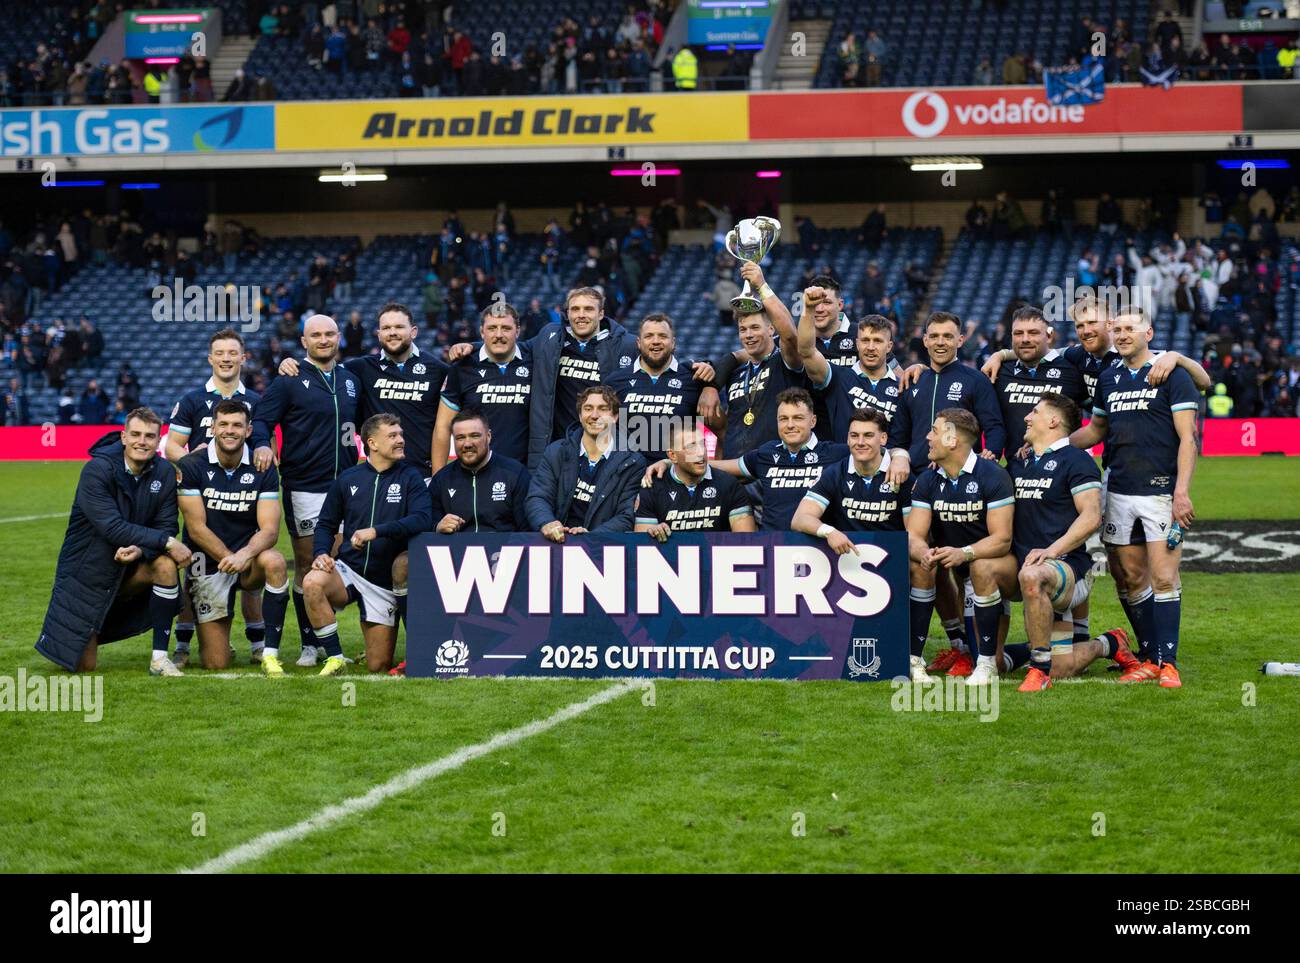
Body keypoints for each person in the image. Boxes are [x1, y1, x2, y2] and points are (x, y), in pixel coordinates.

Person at [1070, 308, 1201, 688]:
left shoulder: (1171, 374)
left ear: (1149, 332)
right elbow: (1096, 429)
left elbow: (1188, 439)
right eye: (1118, 329)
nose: (1123, 335)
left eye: (1131, 329)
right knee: (1127, 576)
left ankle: (1168, 663)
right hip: (1119, 488)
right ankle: (1149, 656)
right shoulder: (1109, 378)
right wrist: (1053, 445)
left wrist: (1181, 492)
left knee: (1162, 576)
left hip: (1161, 489)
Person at [36, 408, 192, 675]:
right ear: (123, 437)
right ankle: (91, 632)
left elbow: (166, 524)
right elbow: (111, 526)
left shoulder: (165, 472)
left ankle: (159, 659)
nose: (142, 441)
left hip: (131, 567)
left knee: (165, 564)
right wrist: (168, 542)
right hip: (88, 573)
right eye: (136, 434)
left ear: (158, 442)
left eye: (150, 436)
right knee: (83, 666)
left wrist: (142, 549)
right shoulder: (97, 470)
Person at [1009, 393, 1140, 690]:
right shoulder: (1022, 463)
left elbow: (1092, 516)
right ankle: (1109, 642)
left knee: (1031, 576)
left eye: (1035, 412)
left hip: (1068, 570)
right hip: (1034, 574)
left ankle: (1038, 669)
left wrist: (1052, 552)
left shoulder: (1077, 460)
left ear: (1054, 421)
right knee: (1063, 667)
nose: (1027, 417)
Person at [251, 313, 361, 667]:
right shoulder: (289, 380)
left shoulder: (351, 379)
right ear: (304, 342)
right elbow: (263, 421)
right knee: (307, 563)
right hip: (305, 487)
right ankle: (309, 644)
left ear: (339, 337)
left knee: (344, 561)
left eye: (330, 334)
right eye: (316, 335)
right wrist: (263, 445)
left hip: (348, 486)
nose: (324, 340)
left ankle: (351, 634)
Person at [303, 414, 433, 676]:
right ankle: (335, 658)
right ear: (372, 443)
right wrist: (320, 554)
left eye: (401, 435)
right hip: (348, 570)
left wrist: (377, 531)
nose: (400, 440)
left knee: (378, 665)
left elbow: (422, 520)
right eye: (392, 436)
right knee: (312, 582)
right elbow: (326, 524)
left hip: (385, 583)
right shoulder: (348, 478)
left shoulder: (412, 478)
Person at [906, 409, 1019, 686]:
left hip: (1002, 567)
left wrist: (964, 553)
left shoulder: (992, 475)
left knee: (979, 567)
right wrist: (924, 552)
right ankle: (914, 661)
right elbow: (914, 535)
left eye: (934, 430)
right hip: (963, 572)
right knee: (919, 566)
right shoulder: (928, 479)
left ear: (952, 439)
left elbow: (1002, 539)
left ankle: (986, 665)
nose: (928, 436)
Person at [176, 400, 290, 675]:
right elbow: (196, 528)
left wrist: (243, 555)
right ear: (213, 428)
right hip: (209, 562)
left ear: (249, 430)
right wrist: (229, 557)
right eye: (224, 425)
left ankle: (269, 653)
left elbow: (270, 530)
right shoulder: (191, 465)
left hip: (247, 562)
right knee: (215, 663)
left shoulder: (263, 467)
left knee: (274, 561)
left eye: (237, 425)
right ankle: (213, 640)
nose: (230, 431)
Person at [277, 303, 444, 479]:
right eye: (386, 328)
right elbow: (320, 368)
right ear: (378, 334)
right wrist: (292, 364)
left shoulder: (438, 370)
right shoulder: (359, 368)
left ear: (414, 331)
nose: (392, 332)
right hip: (377, 477)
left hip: (424, 476)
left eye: (399, 327)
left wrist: (470, 346)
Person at [651, 388, 848, 532]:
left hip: (819, 549)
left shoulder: (836, 454)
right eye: (783, 419)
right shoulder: (766, 453)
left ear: (812, 421)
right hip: (773, 548)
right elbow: (726, 466)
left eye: (798, 418)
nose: (790, 425)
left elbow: (870, 455)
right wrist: (671, 462)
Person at [888, 312, 1006, 485]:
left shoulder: (976, 380)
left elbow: (995, 428)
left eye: (948, 336)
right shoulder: (912, 381)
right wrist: (900, 457)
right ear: (925, 340)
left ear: (960, 340)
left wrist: (989, 454)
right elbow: (898, 438)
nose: (940, 342)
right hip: (915, 480)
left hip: (960, 480)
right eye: (934, 336)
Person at [525, 385, 646, 539]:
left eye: (603, 409)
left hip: (603, 547)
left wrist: (590, 537)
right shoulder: (556, 452)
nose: (594, 415)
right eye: (588, 408)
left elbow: (625, 515)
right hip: (556, 542)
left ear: (615, 417)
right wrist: (547, 522)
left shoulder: (633, 461)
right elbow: (538, 497)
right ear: (581, 416)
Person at [715, 259, 805, 459]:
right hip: (736, 473)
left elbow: (790, 336)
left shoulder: (785, 362)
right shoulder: (736, 373)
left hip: (775, 468)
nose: (748, 335)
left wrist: (762, 286)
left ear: (771, 329)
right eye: (743, 329)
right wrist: (709, 387)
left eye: (755, 327)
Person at [604, 312, 721, 465]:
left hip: (676, 478)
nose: (656, 341)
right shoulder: (614, 382)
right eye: (649, 336)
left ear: (673, 343)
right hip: (627, 476)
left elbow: (720, 430)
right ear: (638, 343)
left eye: (663, 336)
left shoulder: (694, 379)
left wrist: (710, 386)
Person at [792, 406, 912, 547]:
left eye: (868, 435)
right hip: (846, 555)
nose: (860, 442)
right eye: (854, 435)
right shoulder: (835, 473)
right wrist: (829, 532)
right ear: (848, 439)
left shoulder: (901, 472)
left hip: (891, 554)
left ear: (883, 438)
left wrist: (901, 455)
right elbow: (800, 519)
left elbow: (913, 535)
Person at [433, 303, 534, 470]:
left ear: (518, 331)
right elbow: (443, 427)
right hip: (475, 474)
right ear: (482, 332)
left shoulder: (535, 361)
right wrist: (437, 480)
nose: (499, 335)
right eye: (492, 328)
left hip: (524, 474)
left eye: (506, 328)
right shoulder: (462, 366)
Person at [801, 301, 900, 444]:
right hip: (842, 463)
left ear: (889, 346)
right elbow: (807, 351)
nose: (870, 347)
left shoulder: (901, 389)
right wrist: (808, 309)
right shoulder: (838, 377)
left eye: (877, 341)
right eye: (865, 340)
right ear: (857, 343)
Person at [634, 425, 754, 538]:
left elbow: (745, 541)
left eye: (703, 444)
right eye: (691, 447)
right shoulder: (652, 487)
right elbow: (642, 544)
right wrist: (654, 532)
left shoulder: (729, 484)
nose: (701, 453)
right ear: (672, 455)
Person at [431, 409, 531, 533]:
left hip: (505, 550)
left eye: (474, 436)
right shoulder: (441, 480)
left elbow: (528, 532)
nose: (467, 444)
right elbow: (426, 528)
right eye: (460, 438)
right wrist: (437, 527)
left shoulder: (515, 474)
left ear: (488, 436)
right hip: (457, 551)